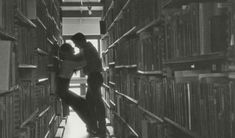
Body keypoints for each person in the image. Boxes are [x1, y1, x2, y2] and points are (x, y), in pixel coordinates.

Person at [70, 32, 106, 137]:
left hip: (94, 77)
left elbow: (77, 60)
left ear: (81, 41)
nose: (75, 45)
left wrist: (66, 58)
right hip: (94, 77)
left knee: (96, 102)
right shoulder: (88, 48)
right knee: (91, 102)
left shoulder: (86, 49)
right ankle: (94, 126)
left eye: (75, 43)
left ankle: (100, 128)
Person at [56, 43, 92, 132]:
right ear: (66, 52)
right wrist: (87, 52)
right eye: (72, 49)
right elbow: (84, 63)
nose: (74, 50)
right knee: (81, 105)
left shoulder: (67, 62)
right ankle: (90, 126)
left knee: (80, 106)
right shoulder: (68, 63)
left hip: (63, 90)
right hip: (63, 91)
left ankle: (90, 125)